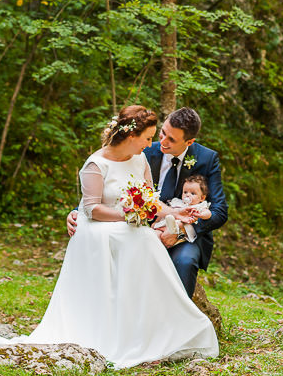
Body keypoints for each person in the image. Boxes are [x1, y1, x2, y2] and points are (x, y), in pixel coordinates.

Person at [0, 105, 218, 369]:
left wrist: (178, 212)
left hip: (128, 223)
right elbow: (91, 209)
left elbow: (150, 203)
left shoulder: (139, 159)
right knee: (138, 237)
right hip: (97, 227)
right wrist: (129, 216)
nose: (152, 143)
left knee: (144, 239)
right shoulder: (95, 164)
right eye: (148, 137)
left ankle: (152, 327)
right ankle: (118, 330)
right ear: (132, 137)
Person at [69, 107, 228, 298]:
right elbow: (109, 185)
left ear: (189, 142)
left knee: (185, 262)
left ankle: (175, 320)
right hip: (142, 225)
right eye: (162, 133)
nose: (162, 142)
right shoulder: (141, 149)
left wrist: (181, 229)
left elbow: (220, 212)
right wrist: (79, 211)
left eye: (171, 140)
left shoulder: (207, 159)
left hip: (185, 233)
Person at [155, 174, 212, 243]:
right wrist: (156, 222)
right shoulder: (176, 202)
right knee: (156, 236)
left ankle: (173, 229)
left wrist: (200, 215)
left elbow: (208, 213)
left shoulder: (198, 206)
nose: (187, 195)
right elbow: (166, 212)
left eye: (193, 193)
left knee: (178, 224)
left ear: (202, 198)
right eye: (185, 192)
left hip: (180, 230)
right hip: (164, 225)